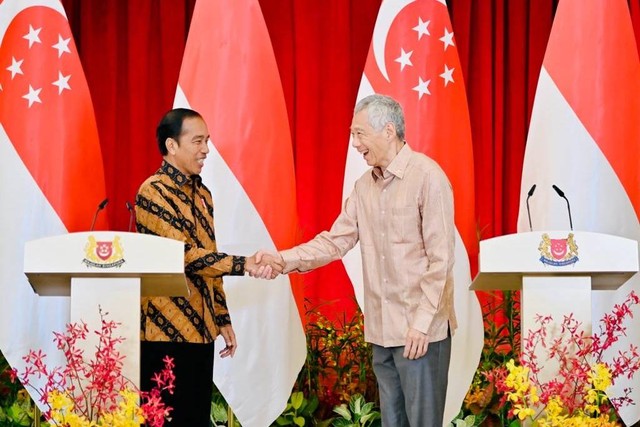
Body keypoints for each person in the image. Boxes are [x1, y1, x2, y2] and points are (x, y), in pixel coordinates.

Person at [259, 94, 456, 426]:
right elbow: (335, 242)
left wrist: (422, 323)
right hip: (381, 332)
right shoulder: (364, 187)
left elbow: (442, 259)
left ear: (388, 130)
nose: (354, 143)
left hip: (420, 333)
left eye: (359, 133)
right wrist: (282, 260)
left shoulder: (428, 176)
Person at [135, 108, 277, 426]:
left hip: (200, 333)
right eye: (197, 141)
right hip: (164, 333)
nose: (205, 149)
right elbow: (183, 255)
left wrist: (221, 316)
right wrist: (245, 264)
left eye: (207, 140)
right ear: (172, 145)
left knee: (196, 418)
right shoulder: (152, 192)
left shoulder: (203, 194)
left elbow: (207, 257)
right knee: (165, 421)